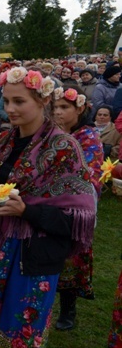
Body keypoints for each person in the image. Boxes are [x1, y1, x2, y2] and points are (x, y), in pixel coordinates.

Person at [0, 67, 97, 348]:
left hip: (33, 258)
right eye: (6, 101)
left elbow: (80, 217)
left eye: (19, 101)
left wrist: (26, 211)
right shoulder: (2, 141)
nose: (10, 109)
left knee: (19, 331)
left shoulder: (63, 149)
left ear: (42, 100)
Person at [52, 87, 104, 331]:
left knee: (72, 257)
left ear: (80, 108)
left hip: (76, 208)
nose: (58, 112)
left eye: (64, 107)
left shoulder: (89, 137)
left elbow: (89, 174)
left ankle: (68, 308)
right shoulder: (52, 133)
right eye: (55, 107)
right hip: (49, 205)